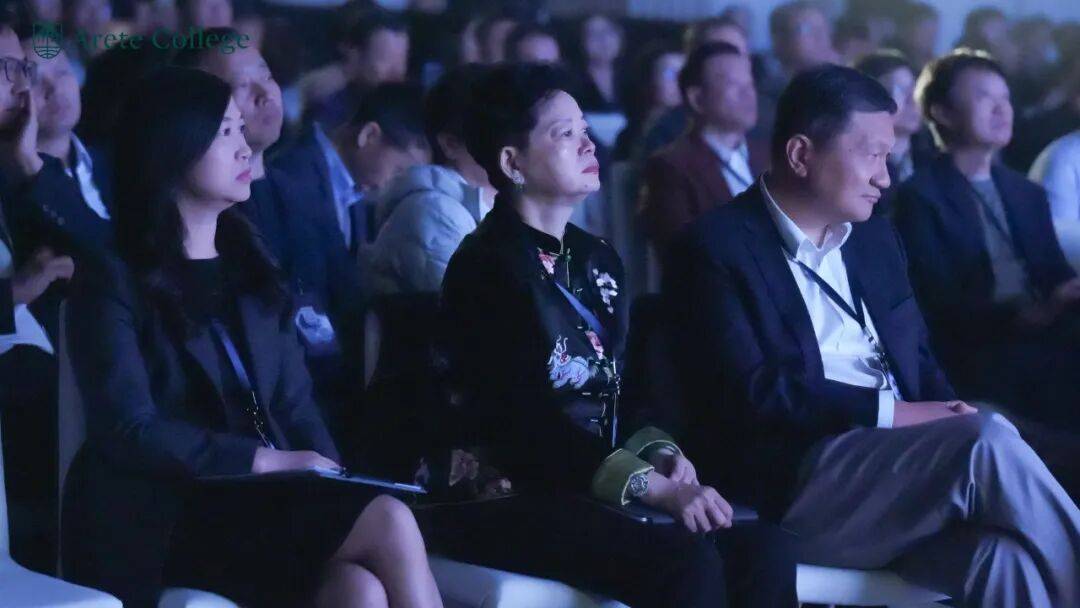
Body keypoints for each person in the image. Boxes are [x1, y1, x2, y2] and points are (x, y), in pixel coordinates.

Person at [666, 63, 1080, 607]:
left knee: (1004, 557)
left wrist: (945, 409)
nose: (884, 178)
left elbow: (919, 357)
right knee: (986, 440)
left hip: (903, 472)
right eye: (872, 155)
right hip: (801, 481)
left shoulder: (874, 239)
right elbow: (754, 391)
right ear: (801, 155)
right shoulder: (715, 248)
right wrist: (895, 414)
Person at [61, 66, 443, 608]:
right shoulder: (111, 277)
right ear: (172, 146)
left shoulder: (250, 263)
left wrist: (335, 481)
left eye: (241, 131)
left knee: (358, 590)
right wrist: (266, 461)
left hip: (264, 503)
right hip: (166, 511)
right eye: (225, 133)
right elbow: (128, 430)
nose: (244, 148)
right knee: (389, 519)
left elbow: (295, 404)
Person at [422, 61, 797, 608]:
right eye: (564, 133)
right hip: (508, 491)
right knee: (684, 560)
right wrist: (653, 487)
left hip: (590, 482)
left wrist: (663, 455)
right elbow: (524, 426)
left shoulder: (597, 259)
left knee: (765, 548)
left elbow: (629, 392)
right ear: (511, 162)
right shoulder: (487, 267)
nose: (588, 144)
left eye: (585, 129)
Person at [174, 27, 366, 456]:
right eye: (242, 85)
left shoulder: (302, 191)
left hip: (334, 405)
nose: (266, 94)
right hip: (256, 428)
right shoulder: (201, 213)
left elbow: (349, 304)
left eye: (267, 75)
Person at [893, 49, 1080, 434]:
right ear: (942, 113)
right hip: (982, 350)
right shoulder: (919, 197)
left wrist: (1063, 295)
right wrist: (1030, 315)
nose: (1002, 109)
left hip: (1048, 333)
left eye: (1005, 98)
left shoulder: (1025, 192)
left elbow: (1054, 273)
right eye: (984, 97)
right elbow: (938, 304)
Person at [368, 64, 492, 295]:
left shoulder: (507, 204)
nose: (514, 139)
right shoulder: (435, 213)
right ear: (450, 144)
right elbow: (480, 310)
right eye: (495, 128)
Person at [640, 41, 766, 257]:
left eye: (750, 83)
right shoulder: (671, 167)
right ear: (697, 99)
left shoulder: (769, 156)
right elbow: (682, 252)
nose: (748, 93)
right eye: (733, 84)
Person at [273, 82, 430, 256]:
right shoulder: (292, 177)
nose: (393, 186)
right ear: (369, 135)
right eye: (397, 172)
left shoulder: (357, 194)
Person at [854, 49, 934, 216]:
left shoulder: (932, 159)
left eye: (914, 89)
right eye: (899, 91)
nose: (913, 100)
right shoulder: (857, 167)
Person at [305, 8, 410, 131]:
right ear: (355, 55)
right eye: (386, 59)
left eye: (402, 61)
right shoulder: (328, 100)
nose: (397, 72)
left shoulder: (407, 104)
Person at [611, 42, 683, 162]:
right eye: (670, 74)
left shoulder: (690, 133)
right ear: (649, 78)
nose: (679, 81)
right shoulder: (629, 135)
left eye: (684, 73)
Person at [574, 14, 623, 114]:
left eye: (608, 32)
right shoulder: (572, 82)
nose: (603, 40)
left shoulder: (635, 77)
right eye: (593, 34)